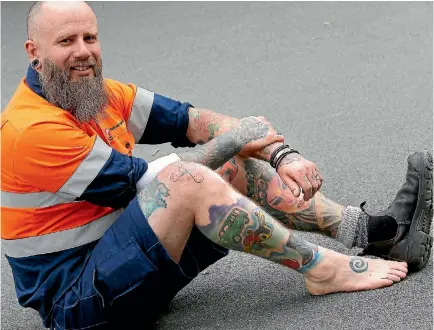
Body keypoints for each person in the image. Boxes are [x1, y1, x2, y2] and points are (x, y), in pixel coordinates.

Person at [1, 1, 432, 329]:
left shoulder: (99, 92)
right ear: (33, 51)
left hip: (124, 266)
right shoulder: (30, 130)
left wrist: (282, 153)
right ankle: (324, 270)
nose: (84, 52)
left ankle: (377, 233)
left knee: (230, 165)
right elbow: (162, 187)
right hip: (79, 305)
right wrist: (237, 138)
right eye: (66, 42)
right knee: (189, 179)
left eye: (90, 38)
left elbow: (197, 123)